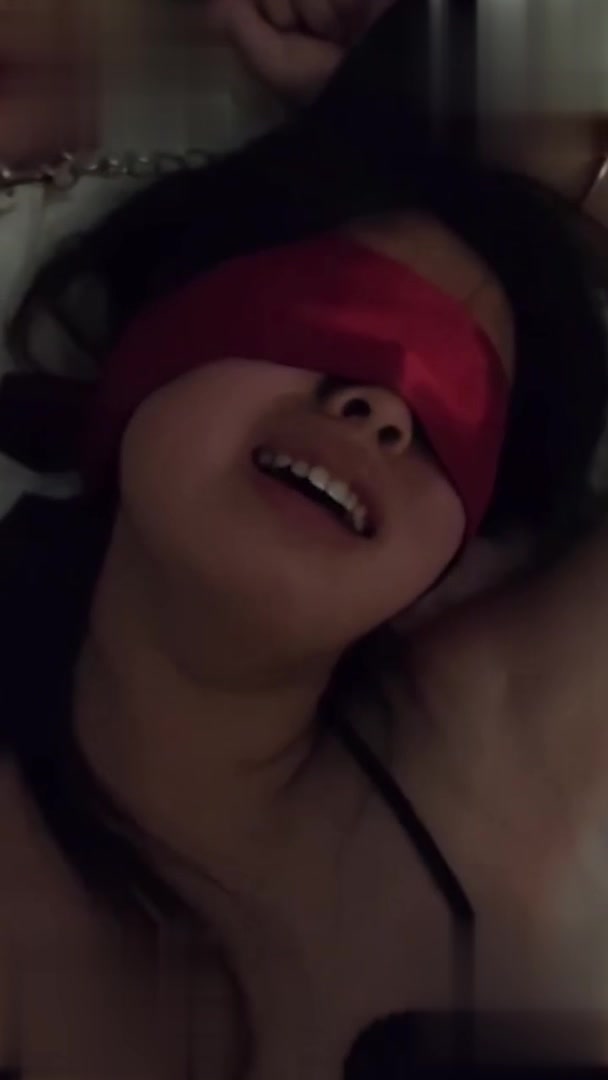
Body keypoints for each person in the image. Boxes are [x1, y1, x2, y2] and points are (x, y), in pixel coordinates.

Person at [2, 0, 608, 1077]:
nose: (381, 411)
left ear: (454, 558)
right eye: (325, 316)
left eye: (455, 412)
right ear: (141, 360)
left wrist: (490, 149)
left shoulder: (491, 738)